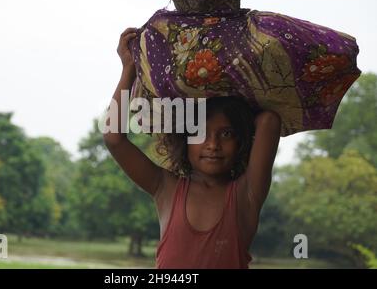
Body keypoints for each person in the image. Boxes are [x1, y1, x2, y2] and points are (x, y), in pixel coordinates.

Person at [103, 27, 282, 269]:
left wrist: (240, 90)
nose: (213, 144)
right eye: (200, 133)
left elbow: (269, 121)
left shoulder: (247, 193)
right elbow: (114, 139)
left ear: (241, 141)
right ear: (184, 138)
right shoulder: (165, 188)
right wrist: (129, 70)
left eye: (227, 134)